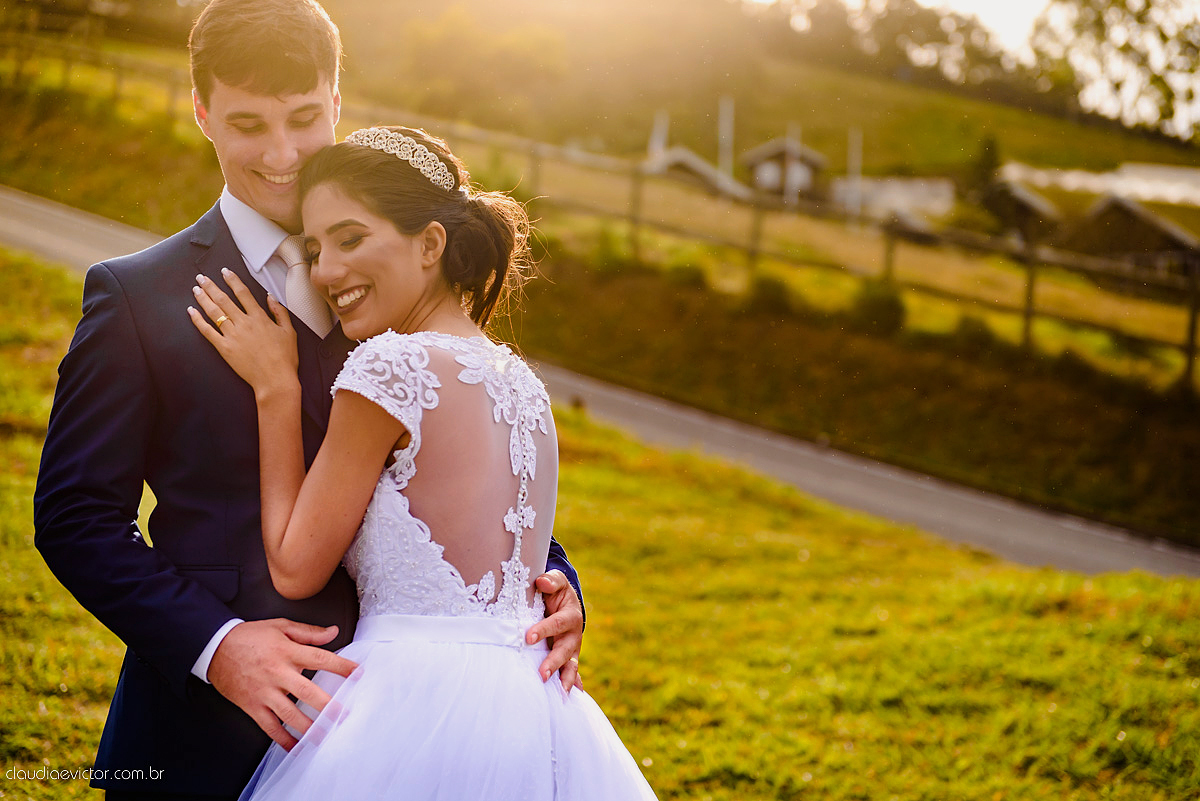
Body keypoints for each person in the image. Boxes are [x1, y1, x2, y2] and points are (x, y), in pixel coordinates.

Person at [32, 2, 584, 798]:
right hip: (204, 733)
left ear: (335, 101)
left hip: (412, 735)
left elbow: (466, 470)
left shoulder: (400, 281)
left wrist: (557, 586)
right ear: (202, 113)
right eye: (249, 123)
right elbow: (76, 516)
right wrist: (217, 646)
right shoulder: (136, 296)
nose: (282, 152)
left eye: (302, 117)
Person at [187, 124, 655, 799]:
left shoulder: (390, 365)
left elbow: (294, 562)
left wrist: (276, 389)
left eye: (351, 239)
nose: (324, 272)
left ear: (431, 243)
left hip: (412, 696)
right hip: (532, 703)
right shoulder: (524, 384)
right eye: (316, 249)